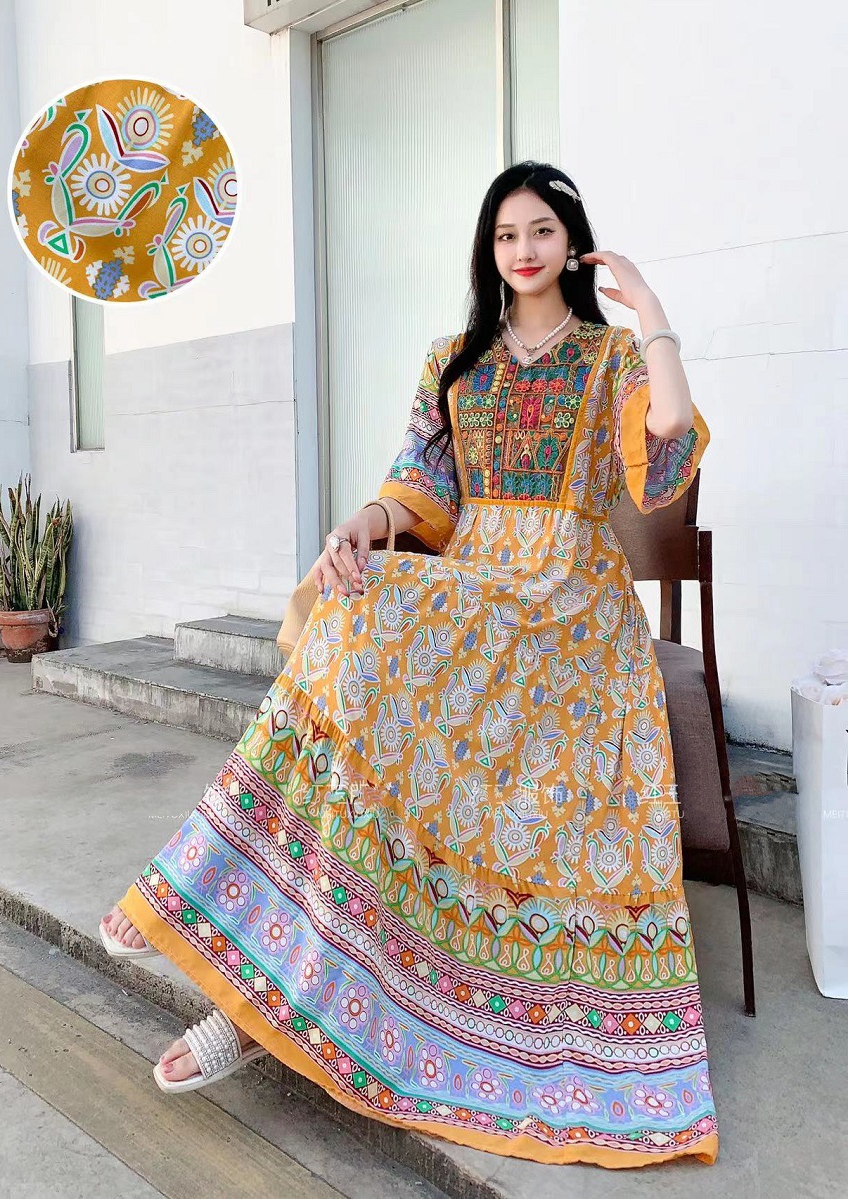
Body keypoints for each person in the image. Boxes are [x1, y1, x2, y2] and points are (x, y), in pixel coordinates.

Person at [100, 160, 718, 1168]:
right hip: (474, 590)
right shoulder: (455, 360)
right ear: (489, 250)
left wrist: (648, 309)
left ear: (573, 243)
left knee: (370, 633)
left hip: (568, 610)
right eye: (506, 234)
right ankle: (248, 970)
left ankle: (244, 982)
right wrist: (364, 522)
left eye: (542, 231)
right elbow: (418, 485)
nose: (523, 250)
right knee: (353, 600)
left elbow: (669, 439)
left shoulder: (611, 357)